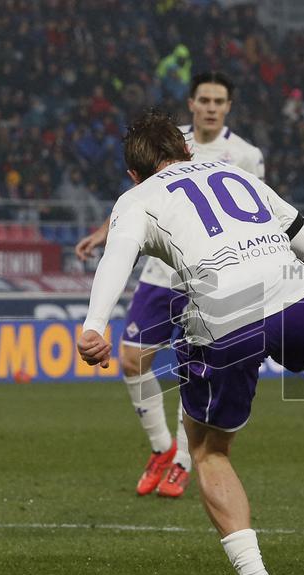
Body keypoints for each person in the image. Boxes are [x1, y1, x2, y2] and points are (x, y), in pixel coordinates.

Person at [77, 110, 304, 575]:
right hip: (294, 290)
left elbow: (116, 258)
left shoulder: (136, 198)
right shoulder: (238, 175)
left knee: (209, 450)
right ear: (188, 151)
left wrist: (94, 325)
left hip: (223, 309)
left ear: (133, 173)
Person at [75, 72, 265, 499]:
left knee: (189, 370)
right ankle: (161, 447)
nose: (212, 107)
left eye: (220, 100)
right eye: (205, 100)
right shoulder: (168, 141)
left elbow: (256, 208)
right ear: (192, 103)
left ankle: (182, 460)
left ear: (229, 107)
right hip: (160, 275)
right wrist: (106, 231)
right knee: (130, 359)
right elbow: (141, 197)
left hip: (209, 278)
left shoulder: (246, 155)